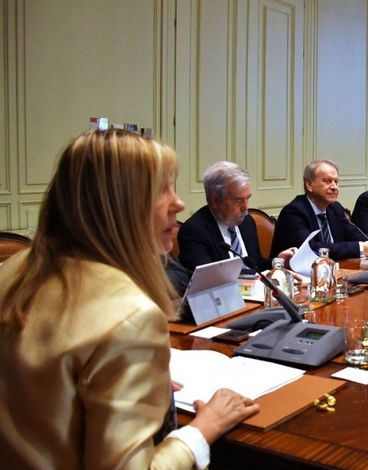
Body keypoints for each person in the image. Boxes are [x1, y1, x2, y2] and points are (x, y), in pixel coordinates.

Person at [0, 130, 259, 468]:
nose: (179, 203)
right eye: (162, 189)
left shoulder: (12, 269)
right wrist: (202, 429)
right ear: (119, 204)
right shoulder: (130, 315)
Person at [270, 160, 368, 261]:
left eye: (336, 182)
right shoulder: (294, 212)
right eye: (327, 181)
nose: (334, 187)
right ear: (309, 184)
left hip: (333, 271)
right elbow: (312, 249)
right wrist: (361, 248)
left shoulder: (334, 208)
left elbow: (353, 233)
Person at [178, 161, 271, 272]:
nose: (246, 207)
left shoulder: (247, 221)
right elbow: (207, 280)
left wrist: (277, 261)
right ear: (216, 201)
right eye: (239, 200)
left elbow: (256, 266)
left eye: (248, 198)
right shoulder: (194, 232)